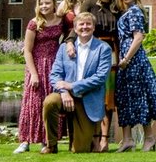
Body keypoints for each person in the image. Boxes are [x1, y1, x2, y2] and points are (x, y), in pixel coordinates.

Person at [65, 0, 122, 152]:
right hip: (91, 51)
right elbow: (78, 24)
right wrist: (69, 42)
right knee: (94, 94)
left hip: (111, 52)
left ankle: (105, 139)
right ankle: (94, 139)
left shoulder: (117, 6)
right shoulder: (89, 4)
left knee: (108, 99)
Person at [41, 12, 112, 154]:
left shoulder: (103, 48)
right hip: (65, 96)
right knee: (49, 102)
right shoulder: (64, 48)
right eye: (81, 24)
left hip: (88, 99)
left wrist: (72, 85)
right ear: (75, 27)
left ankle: (85, 140)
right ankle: (51, 145)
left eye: (88, 24)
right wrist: (64, 92)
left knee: (80, 150)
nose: (84, 27)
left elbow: (100, 77)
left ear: (93, 27)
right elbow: (55, 75)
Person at [13, 0, 72, 154]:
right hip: (37, 66)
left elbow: (70, 35)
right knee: (33, 103)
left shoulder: (61, 21)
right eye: (41, 3)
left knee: (50, 104)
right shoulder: (34, 23)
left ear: (54, 4)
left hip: (54, 66)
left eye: (47, 3)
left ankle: (48, 140)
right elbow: (28, 51)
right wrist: (33, 74)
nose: (44, 6)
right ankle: (25, 140)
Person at [115, 0, 156, 152]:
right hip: (126, 61)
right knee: (125, 98)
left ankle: (150, 137)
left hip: (134, 61)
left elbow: (138, 37)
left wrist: (126, 59)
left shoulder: (135, 12)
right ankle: (127, 139)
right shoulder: (125, 12)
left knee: (140, 98)